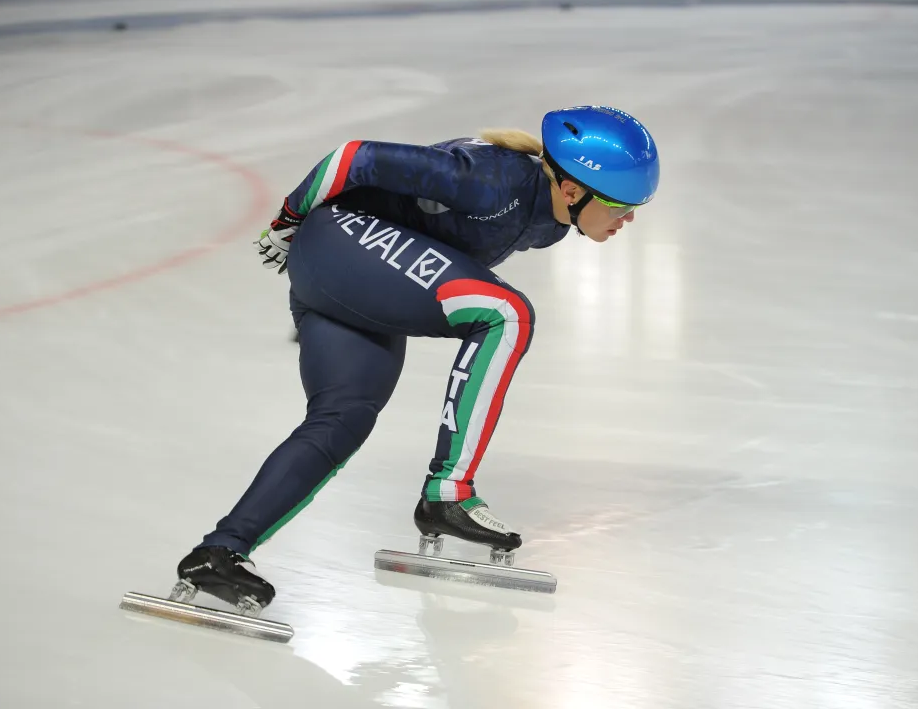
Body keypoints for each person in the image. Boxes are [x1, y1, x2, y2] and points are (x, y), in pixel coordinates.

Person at [174, 105, 660, 611]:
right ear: (572, 189)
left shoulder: (551, 223)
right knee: (506, 314)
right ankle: (449, 490)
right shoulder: (489, 181)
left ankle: (220, 551)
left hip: (357, 276)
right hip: (341, 241)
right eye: (622, 205)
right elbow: (355, 157)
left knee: (344, 418)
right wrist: (288, 220)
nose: (627, 220)